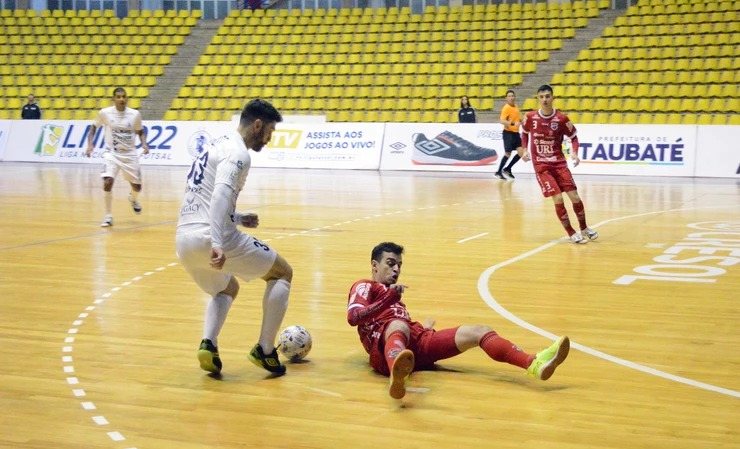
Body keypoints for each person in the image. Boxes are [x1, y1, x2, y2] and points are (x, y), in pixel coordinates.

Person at [347, 242, 570, 400]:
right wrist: (388, 299)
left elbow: (399, 324)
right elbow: (353, 318)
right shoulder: (364, 285)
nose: (396, 269)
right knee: (398, 325)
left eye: (399, 265)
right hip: (383, 349)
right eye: (390, 263)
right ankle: (397, 368)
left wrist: (424, 329)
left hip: (413, 339)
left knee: (480, 331)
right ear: (374, 265)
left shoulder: (391, 295)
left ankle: (533, 363)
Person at [176, 98, 293, 377]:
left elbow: (203, 196)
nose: (269, 139)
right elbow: (219, 195)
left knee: (226, 289)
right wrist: (217, 242)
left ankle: (209, 344)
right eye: (269, 132)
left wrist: (238, 217)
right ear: (257, 125)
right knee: (282, 273)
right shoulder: (239, 153)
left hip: (183, 240)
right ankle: (265, 350)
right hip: (212, 239)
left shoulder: (217, 145)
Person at [519, 85, 598, 244]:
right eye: (541, 97)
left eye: (548, 96)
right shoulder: (530, 117)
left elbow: (574, 136)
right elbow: (525, 133)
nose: (545, 100)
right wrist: (524, 150)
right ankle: (571, 232)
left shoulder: (562, 119)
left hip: (559, 164)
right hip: (542, 166)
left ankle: (584, 228)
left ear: (553, 97)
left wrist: (574, 152)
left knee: (574, 196)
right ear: (537, 98)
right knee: (558, 198)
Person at [85, 87, 149, 227]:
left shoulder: (134, 114)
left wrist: (144, 144)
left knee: (137, 187)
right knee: (108, 181)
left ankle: (132, 199)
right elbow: (93, 127)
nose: (121, 99)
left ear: (126, 99)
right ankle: (108, 216)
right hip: (112, 153)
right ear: (113, 99)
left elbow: (140, 131)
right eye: (118, 97)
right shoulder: (105, 113)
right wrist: (90, 144)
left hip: (129, 154)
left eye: (124, 97)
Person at [495, 89, 522, 180]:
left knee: (521, 152)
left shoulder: (516, 107)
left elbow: (517, 119)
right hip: (508, 133)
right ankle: (498, 172)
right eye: (509, 96)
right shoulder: (506, 108)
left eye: (512, 96)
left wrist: (522, 121)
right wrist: (513, 124)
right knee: (508, 153)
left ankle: (508, 168)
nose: (511, 97)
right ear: (506, 98)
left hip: (516, 133)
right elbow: (502, 121)